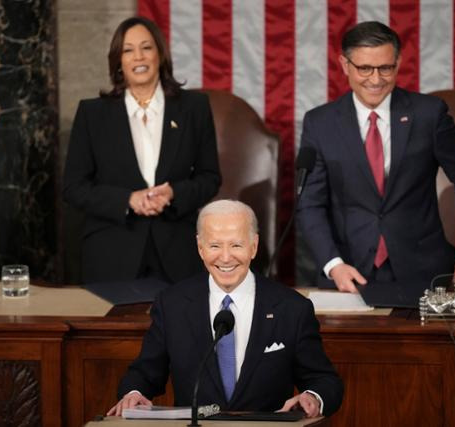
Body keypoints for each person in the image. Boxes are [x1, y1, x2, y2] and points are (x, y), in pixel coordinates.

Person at [296, 21, 455, 293]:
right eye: (365, 68)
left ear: (397, 63)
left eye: (385, 68)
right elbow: (309, 203)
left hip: (424, 270)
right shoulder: (320, 123)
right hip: (348, 272)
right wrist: (333, 264)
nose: (375, 80)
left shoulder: (428, 115)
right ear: (344, 65)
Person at [107, 200, 344, 418]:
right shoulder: (172, 304)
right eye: (214, 245)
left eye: (236, 245)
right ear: (200, 248)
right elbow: (145, 372)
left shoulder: (292, 308)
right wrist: (134, 392)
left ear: (254, 246)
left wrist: (313, 396)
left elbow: (323, 379)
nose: (226, 257)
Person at [63, 17, 221, 284]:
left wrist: (173, 193)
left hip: (178, 250)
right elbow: (74, 187)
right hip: (111, 250)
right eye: (128, 50)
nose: (139, 56)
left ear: (160, 54)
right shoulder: (92, 114)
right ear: (118, 62)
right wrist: (127, 200)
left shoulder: (194, 108)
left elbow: (210, 177)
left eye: (146, 47)